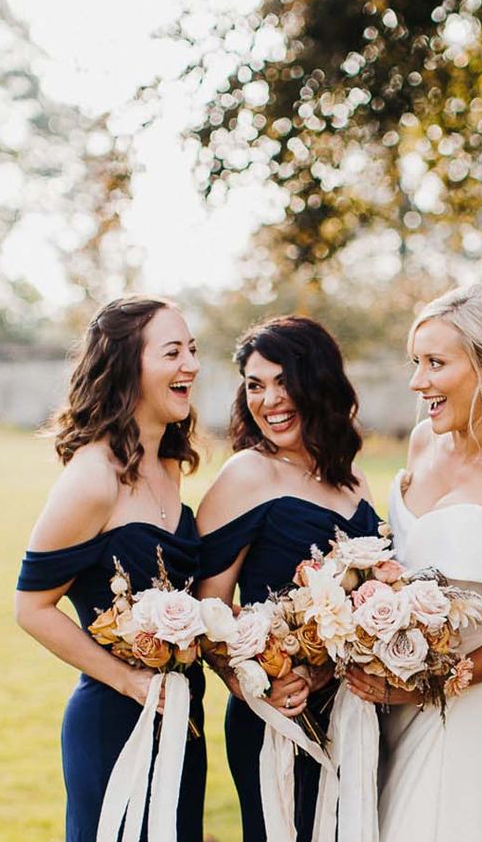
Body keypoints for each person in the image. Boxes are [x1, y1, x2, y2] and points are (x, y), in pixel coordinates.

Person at [346, 282, 482, 842]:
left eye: (436, 363)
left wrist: (440, 684)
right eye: (415, 362)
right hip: (390, 703)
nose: (418, 382)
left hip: (470, 712)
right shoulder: (423, 441)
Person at [15, 296, 205, 842]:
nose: (190, 364)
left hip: (183, 719)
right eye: (173, 352)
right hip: (114, 721)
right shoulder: (93, 477)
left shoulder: (168, 462)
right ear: (128, 366)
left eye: (192, 350)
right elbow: (31, 607)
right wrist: (129, 680)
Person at [197, 315, 380, 842]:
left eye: (282, 382)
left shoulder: (352, 475)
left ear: (318, 381)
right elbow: (208, 607)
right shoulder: (247, 474)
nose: (269, 400)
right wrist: (253, 684)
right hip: (280, 715)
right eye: (255, 385)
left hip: (356, 709)